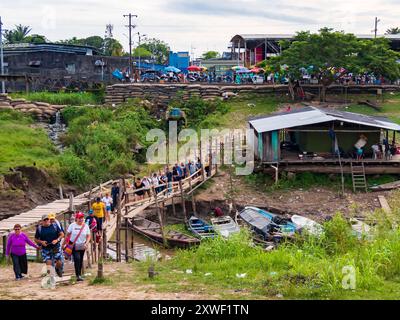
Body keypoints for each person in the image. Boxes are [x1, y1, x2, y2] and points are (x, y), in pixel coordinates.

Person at [66, 212, 90, 281]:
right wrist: (64, 244)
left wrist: (87, 243)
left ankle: (79, 274)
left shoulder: (86, 226)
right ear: (76, 218)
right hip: (73, 245)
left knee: (80, 259)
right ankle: (78, 275)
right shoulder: (72, 225)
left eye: (82, 218)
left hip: (82, 245)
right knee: (77, 259)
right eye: (79, 218)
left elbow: (88, 236)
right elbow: (67, 235)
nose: (81, 219)